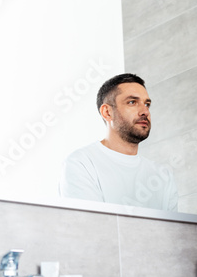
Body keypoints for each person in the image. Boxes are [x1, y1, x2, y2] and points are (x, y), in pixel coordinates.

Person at [59, 73, 178, 211]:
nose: (145, 111)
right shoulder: (81, 164)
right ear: (107, 112)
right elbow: (89, 227)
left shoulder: (163, 175)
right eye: (132, 102)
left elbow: (172, 231)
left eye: (147, 104)